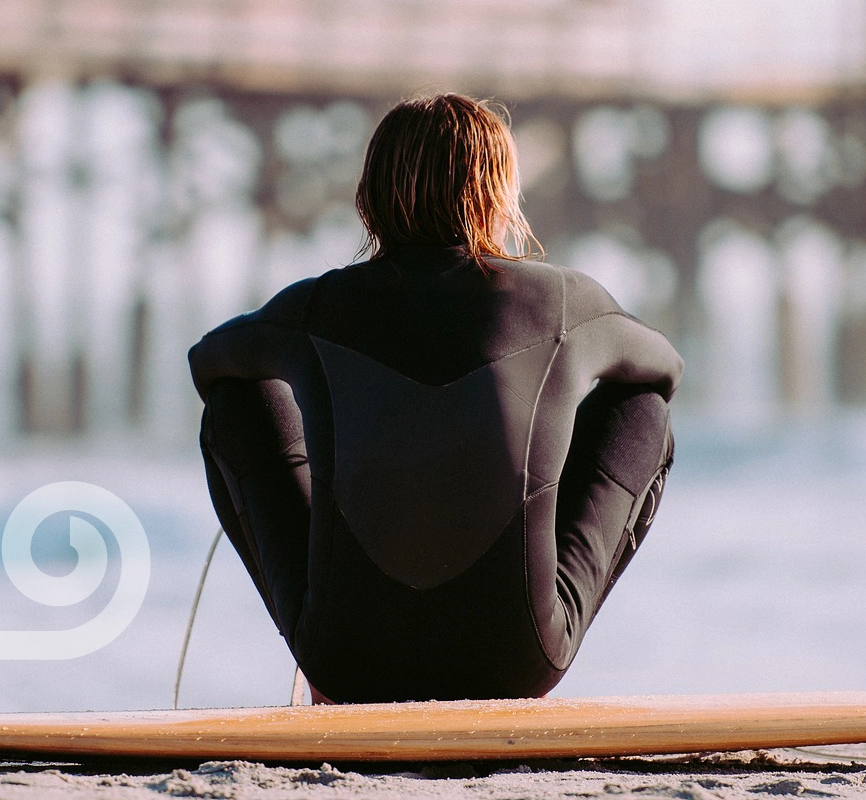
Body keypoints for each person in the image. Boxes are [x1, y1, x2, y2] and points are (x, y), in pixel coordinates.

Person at [188, 93, 681, 704]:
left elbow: (209, 363)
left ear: (370, 196)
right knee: (642, 410)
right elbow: (664, 369)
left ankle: (319, 654)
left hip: (347, 661)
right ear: (496, 194)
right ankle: (532, 608)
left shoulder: (317, 307)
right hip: (514, 663)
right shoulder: (558, 302)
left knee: (234, 408)